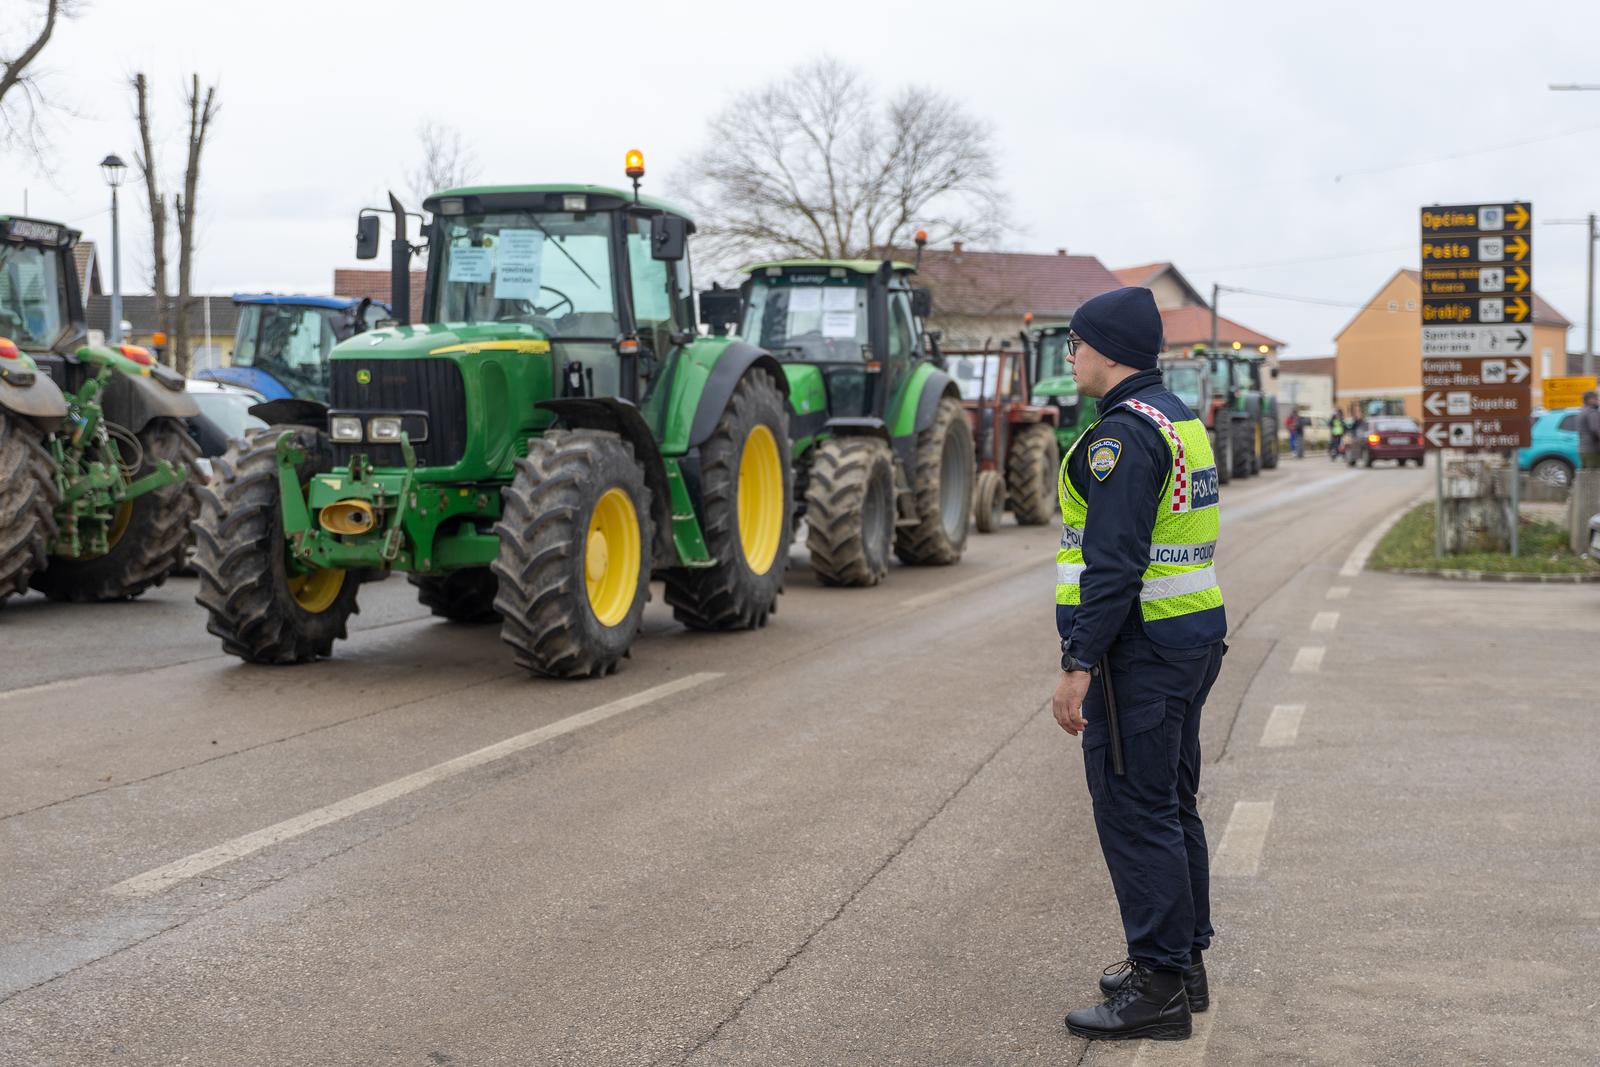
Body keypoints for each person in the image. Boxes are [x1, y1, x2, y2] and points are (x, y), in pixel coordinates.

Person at [1050, 287, 1228, 1043]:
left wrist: (1078, 661)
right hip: (1189, 638)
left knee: (1135, 811)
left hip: (1140, 651)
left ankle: (1156, 987)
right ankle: (1182, 964)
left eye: (1078, 342)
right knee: (1171, 802)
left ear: (1109, 350)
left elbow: (1114, 566)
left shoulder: (1121, 437)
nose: (1070, 353)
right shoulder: (1178, 417)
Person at [1579, 391, 1600, 470]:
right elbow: (1596, 430)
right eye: (1596, 399)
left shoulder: (1581, 411)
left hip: (1583, 450)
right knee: (1595, 477)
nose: (1598, 401)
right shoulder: (1591, 412)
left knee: (1587, 476)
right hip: (1592, 450)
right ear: (1590, 400)